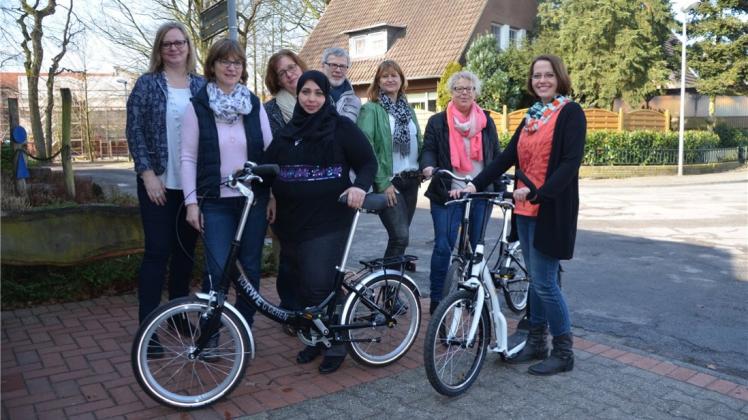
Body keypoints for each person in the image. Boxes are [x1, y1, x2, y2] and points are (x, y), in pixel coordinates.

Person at [462, 54, 586, 376]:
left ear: (559, 77)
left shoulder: (570, 113)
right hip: (524, 207)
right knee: (537, 279)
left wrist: (540, 193)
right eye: (536, 76)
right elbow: (507, 156)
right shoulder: (533, 115)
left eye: (547, 75)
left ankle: (563, 351)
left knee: (545, 283)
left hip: (550, 207)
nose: (541, 80)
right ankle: (536, 342)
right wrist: (474, 185)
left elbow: (570, 163)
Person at [263, 70, 377, 374]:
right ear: (298, 95)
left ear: (327, 97)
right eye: (306, 92)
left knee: (318, 283)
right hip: (290, 222)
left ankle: (336, 343)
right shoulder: (289, 131)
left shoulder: (340, 128)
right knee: (302, 286)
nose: (311, 99)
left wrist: (359, 187)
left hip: (329, 220)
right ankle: (316, 337)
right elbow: (268, 165)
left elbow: (368, 162)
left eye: (318, 93)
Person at [181, 38, 273, 332]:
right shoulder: (198, 107)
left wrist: (273, 195)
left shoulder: (254, 105)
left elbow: (270, 151)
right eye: (225, 62)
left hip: (252, 202)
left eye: (237, 62)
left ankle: (243, 332)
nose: (231, 68)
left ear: (243, 68)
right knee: (216, 270)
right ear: (212, 66)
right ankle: (209, 335)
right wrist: (191, 203)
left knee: (251, 268)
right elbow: (187, 158)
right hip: (215, 201)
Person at [126, 22, 204, 335]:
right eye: (167, 44)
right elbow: (135, 131)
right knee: (157, 253)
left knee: (185, 255)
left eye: (179, 42)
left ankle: (177, 316)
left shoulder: (201, 85)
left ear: (188, 46)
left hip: (191, 187)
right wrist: (147, 175)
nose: (173, 48)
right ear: (159, 50)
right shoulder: (147, 84)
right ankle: (148, 328)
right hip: (157, 184)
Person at [419, 70, 503, 315]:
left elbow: (495, 156)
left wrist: (498, 188)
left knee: (476, 247)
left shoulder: (486, 121)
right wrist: (428, 166)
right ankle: (437, 300)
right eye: (459, 89)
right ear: (451, 92)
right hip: (448, 192)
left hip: (479, 194)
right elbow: (429, 149)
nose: (464, 92)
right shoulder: (438, 121)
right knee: (443, 247)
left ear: (475, 92)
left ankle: (470, 296)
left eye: (469, 88)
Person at [357, 60, 422, 269]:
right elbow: (365, 148)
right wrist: (382, 182)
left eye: (394, 75)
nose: (390, 79)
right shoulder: (371, 110)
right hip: (389, 183)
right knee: (400, 237)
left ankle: (391, 294)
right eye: (385, 76)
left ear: (402, 79)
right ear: (378, 81)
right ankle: (386, 288)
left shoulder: (408, 111)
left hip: (411, 181)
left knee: (401, 240)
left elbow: (417, 142)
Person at [263, 49, 308, 314]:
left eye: (292, 67)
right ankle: (290, 308)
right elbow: (266, 155)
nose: (290, 74)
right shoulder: (269, 111)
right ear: (277, 80)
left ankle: (311, 307)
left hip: (317, 193)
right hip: (285, 194)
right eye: (283, 72)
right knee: (289, 255)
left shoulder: (317, 102)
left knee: (313, 254)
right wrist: (271, 194)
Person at [320, 47, 361, 122]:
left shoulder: (354, 101)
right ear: (323, 66)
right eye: (333, 65)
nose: (338, 70)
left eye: (342, 66)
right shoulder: (310, 94)